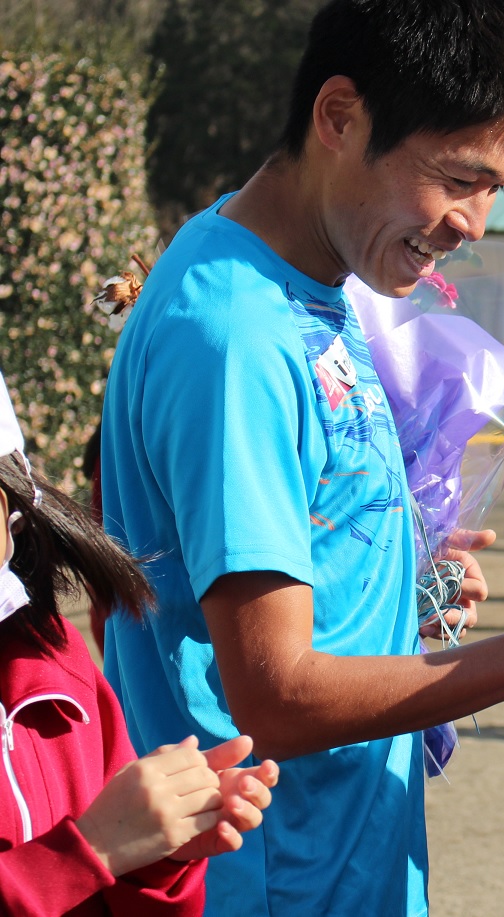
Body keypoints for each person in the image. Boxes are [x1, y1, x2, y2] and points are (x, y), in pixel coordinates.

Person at [98, 3, 504, 913]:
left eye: (497, 188)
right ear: (340, 117)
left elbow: (296, 579)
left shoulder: (316, 283)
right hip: (272, 878)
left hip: (342, 860)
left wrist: (409, 586)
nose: (473, 222)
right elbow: (274, 695)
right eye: (457, 178)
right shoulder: (235, 334)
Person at [0, 372, 277, 915]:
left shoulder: (53, 662)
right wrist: (93, 850)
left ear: (15, 513)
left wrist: (156, 858)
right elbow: (92, 851)